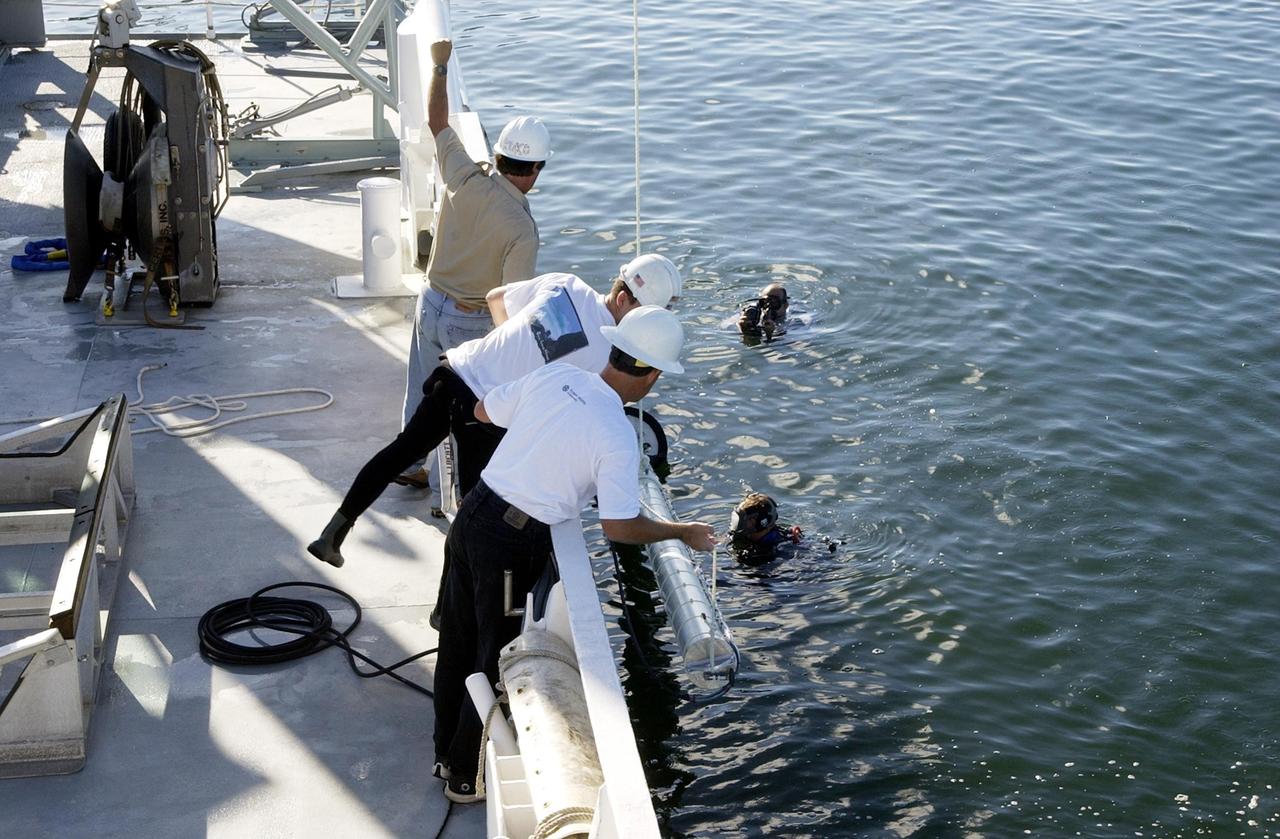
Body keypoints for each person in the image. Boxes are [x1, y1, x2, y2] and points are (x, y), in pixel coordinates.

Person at [432, 306, 716, 803]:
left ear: (616, 349)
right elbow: (619, 525)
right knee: (494, 652)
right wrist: (682, 531)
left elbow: (482, 412)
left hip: (474, 514)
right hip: (509, 544)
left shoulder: (557, 373)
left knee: (456, 636)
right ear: (650, 374)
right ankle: (463, 774)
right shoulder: (616, 435)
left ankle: (444, 751)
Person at [307, 254, 684, 569]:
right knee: (474, 515)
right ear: (624, 302)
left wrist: (512, 356)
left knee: (400, 452)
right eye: (647, 314)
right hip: (483, 412)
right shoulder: (608, 358)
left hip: (456, 370)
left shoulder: (567, 283)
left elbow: (496, 298)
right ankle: (444, 609)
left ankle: (333, 533)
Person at [397, 38, 551, 492]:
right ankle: (471, 494)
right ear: (537, 168)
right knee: (471, 411)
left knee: (421, 390)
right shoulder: (522, 229)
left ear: (499, 154)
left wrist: (440, 66)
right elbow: (510, 305)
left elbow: (437, 120)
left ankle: (409, 462)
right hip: (470, 322)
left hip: (430, 302)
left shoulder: (464, 174)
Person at [728, 492, 804, 565]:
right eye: (739, 522)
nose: (741, 528)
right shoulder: (744, 534)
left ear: (763, 523)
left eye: (747, 525)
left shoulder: (773, 550)